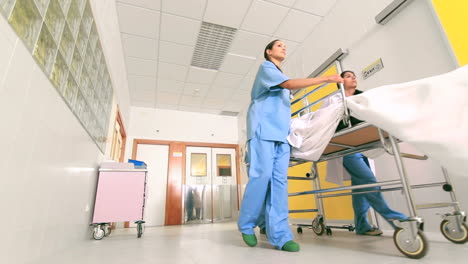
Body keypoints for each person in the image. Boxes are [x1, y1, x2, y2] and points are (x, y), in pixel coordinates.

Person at [237, 39, 343, 252]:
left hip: (282, 136)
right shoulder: (266, 68)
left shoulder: (281, 78)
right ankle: (247, 224)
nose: (283, 47)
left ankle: (281, 235)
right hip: (263, 132)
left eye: (285, 46)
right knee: (261, 176)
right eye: (278, 45)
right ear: (268, 52)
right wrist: (327, 78)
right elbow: (288, 84)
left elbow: (286, 95)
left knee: (279, 183)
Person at [338, 70, 408, 235]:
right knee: (369, 181)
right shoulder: (337, 101)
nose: (353, 77)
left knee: (360, 189)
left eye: (354, 75)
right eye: (348, 76)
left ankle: (362, 226)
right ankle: (394, 218)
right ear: (340, 82)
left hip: (364, 147)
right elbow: (334, 122)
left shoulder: (364, 98)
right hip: (348, 147)